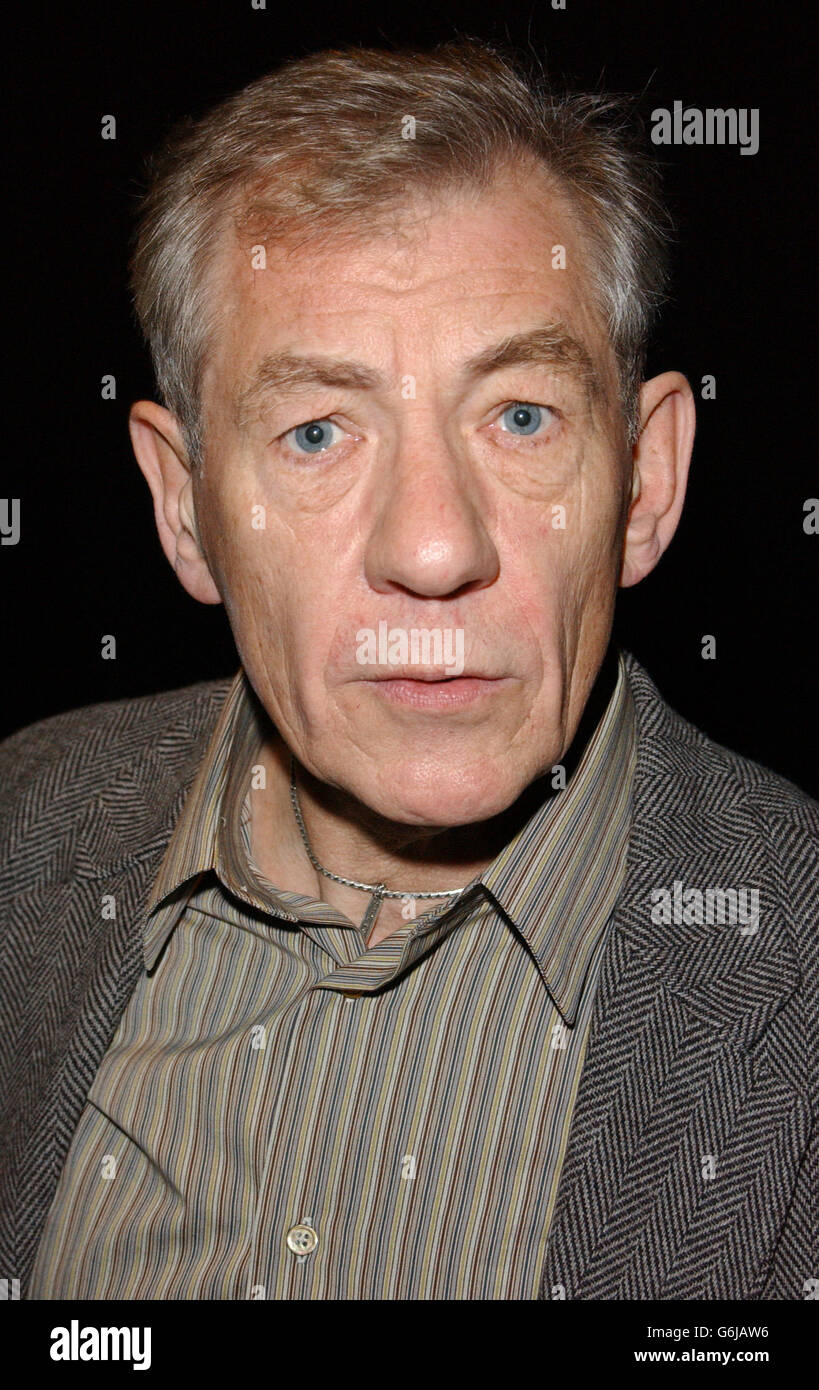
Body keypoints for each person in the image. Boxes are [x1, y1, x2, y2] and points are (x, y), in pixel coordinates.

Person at [2, 38, 816, 1301]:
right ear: (183, 508)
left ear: (647, 479)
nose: (434, 548)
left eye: (521, 417)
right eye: (318, 431)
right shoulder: (21, 832)